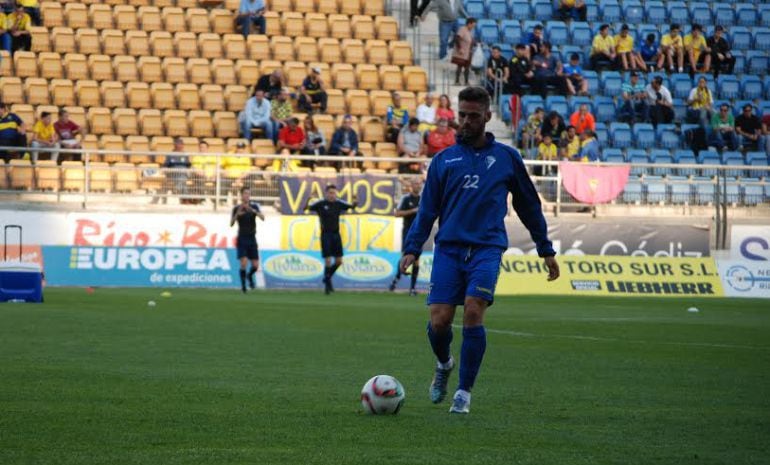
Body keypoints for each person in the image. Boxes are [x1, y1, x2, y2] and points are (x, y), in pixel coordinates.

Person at [399, 86, 559, 414]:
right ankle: (444, 364)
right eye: (462, 116)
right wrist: (412, 247)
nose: (466, 122)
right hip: (449, 249)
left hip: (487, 247)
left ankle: (463, 393)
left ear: (487, 117)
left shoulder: (507, 158)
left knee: (474, 309)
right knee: (440, 320)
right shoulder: (444, 160)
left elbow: (529, 205)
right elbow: (427, 210)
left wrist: (545, 249)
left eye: (473, 116)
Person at [306, 184, 358, 295]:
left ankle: (327, 277)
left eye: (334, 193)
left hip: (336, 235)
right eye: (330, 193)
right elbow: (306, 208)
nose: (332, 195)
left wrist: (355, 200)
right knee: (328, 260)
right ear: (326, 193)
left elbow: (352, 206)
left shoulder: (339, 203)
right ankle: (327, 286)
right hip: (326, 235)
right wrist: (309, 199)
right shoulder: (321, 204)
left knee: (339, 261)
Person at [389, 178, 423, 295]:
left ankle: (412, 289)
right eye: (415, 183)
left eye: (419, 184)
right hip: (408, 232)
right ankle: (396, 280)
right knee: (406, 257)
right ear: (411, 186)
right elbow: (397, 213)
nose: (417, 186)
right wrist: (413, 210)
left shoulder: (423, 199)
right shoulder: (405, 198)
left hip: (419, 233)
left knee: (417, 260)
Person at [231, 186, 265, 293]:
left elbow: (263, 218)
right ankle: (243, 287)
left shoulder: (254, 206)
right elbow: (231, 223)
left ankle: (249, 276)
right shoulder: (237, 208)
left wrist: (253, 211)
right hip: (242, 238)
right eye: (245, 193)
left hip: (252, 238)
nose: (247, 196)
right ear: (241, 195)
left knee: (255, 265)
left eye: (248, 194)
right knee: (244, 262)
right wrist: (237, 214)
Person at [451, 17, 475, 86]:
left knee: (467, 67)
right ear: (469, 24)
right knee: (460, 66)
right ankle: (457, 81)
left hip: (468, 52)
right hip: (462, 52)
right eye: (472, 25)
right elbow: (457, 38)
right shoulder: (462, 29)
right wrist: (460, 48)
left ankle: (466, 81)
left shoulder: (469, 31)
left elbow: (470, 40)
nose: (473, 27)